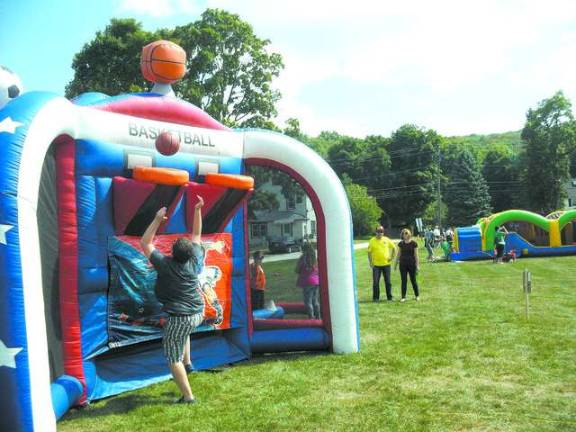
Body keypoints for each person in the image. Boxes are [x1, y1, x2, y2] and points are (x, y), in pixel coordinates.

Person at [140, 196, 212, 404]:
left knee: (172, 357)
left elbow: (145, 242)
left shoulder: (164, 264)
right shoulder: (196, 259)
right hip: (198, 312)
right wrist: (198, 208)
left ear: (172, 253)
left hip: (180, 317)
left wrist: (157, 219)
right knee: (184, 332)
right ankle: (189, 363)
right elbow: (197, 233)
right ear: (190, 254)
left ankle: (188, 396)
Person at [367, 225, 397, 301]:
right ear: (375, 232)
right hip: (376, 265)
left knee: (388, 282)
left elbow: (394, 248)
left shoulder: (386, 240)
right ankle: (376, 298)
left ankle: (389, 297)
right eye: (378, 231)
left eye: (381, 231)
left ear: (383, 232)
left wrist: (392, 257)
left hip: (386, 264)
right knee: (376, 282)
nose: (379, 233)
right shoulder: (372, 241)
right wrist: (370, 262)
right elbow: (369, 252)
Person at [295, 243, 321, 319]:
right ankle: (318, 317)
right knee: (315, 301)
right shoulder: (314, 258)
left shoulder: (303, 258)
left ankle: (311, 318)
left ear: (304, 250)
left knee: (308, 302)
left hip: (307, 282)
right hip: (316, 281)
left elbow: (297, 270)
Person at [395, 228, 420, 302]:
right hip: (403, 265)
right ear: (402, 235)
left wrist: (417, 265)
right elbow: (398, 254)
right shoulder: (401, 244)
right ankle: (403, 297)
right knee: (404, 280)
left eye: (406, 233)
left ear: (409, 234)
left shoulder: (414, 243)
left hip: (412, 264)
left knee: (413, 280)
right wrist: (395, 264)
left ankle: (417, 296)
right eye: (403, 233)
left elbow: (416, 255)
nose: (405, 234)